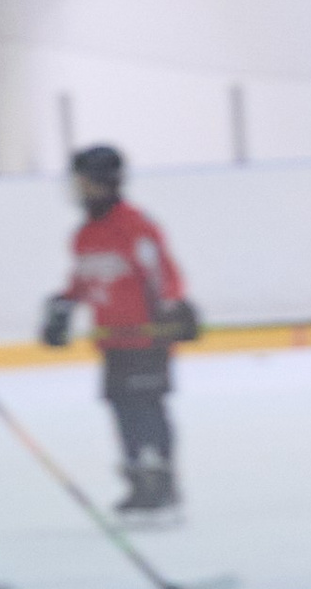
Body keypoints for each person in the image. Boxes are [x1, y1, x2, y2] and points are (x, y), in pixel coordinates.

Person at [41, 145, 200, 519]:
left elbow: (162, 273)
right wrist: (65, 304)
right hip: (112, 341)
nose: (78, 189)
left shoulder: (134, 225)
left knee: (148, 408)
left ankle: (163, 483)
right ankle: (138, 480)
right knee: (122, 409)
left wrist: (173, 306)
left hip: (146, 338)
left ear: (104, 182)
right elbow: (84, 278)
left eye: (83, 181)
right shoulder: (83, 235)